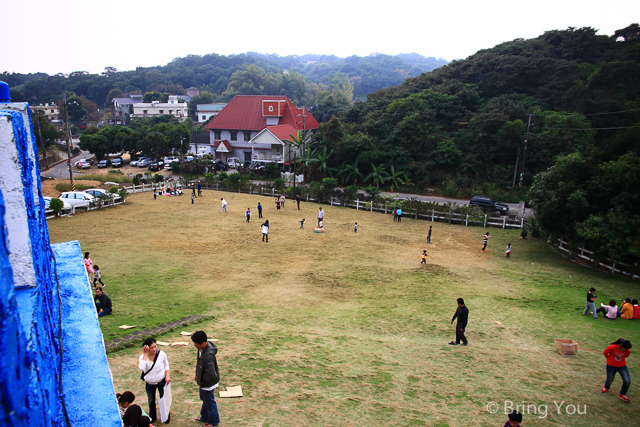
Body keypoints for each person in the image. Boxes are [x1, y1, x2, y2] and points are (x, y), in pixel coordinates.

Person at [191, 330, 220, 427]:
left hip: (208, 383)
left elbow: (212, 374)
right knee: (205, 399)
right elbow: (199, 365)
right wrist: (197, 375)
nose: (195, 345)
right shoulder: (201, 349)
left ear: (203, 343)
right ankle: (205, 417)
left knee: (209, 401)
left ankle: (213, 421)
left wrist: (202, 378)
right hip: (204, 381)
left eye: (196, 343)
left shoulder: (207, 355)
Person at [139, 337, 171, 424]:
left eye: (155, 346)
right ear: (146, 348)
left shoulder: (161, 354)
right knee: (151, 401)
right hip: (150, 383)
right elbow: (141, 367)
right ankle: (152, 417)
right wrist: (145, 354)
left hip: (161, 381)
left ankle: (165, 416)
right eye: (151, 347)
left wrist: (167, 376)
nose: (154, 349)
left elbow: (166, 365)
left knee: (164, 399)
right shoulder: (143, 357)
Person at [602, 338, 632, 402]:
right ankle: (606, 387)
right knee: (610, 379)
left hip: (622, 366)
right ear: (621, 345)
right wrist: (609, 359)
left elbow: (626, 355)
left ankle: (622, 394)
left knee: (627, 380)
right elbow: (605, 352)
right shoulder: (612, 347)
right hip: (611, 366)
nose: (626, 350)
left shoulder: (627, 351)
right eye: (625, 348)